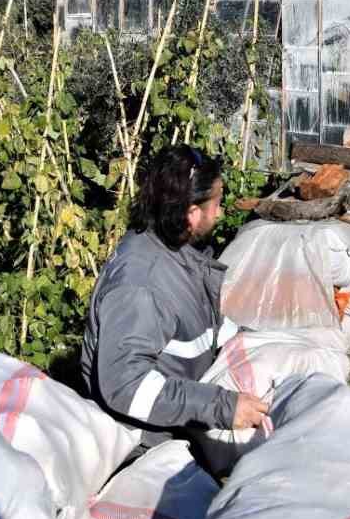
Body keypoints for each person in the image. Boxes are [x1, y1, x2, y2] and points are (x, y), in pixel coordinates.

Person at [81, 145, 270, 442]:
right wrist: (222, 407)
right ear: (193, 213)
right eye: (217, 204)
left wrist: (262, 342)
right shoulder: (141, 286)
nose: (220, 213)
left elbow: (203, 330)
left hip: (180, 420)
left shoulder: (174, 252)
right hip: (146, 443)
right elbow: (127, 385)